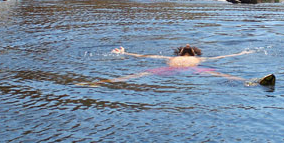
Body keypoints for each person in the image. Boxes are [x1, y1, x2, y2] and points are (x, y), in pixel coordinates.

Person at [109, 45, 274, 85]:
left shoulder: (201, 60)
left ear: (195, 53)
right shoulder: (169, 57)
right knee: (141, 73)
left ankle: (253, 82)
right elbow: (144, 56)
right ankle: (103, 82)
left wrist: (242, 54)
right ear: (179, 52)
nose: (187, 45)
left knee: (220, 74)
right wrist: (124, 53)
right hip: (171, 68)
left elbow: (223, 56)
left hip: (195, 69)